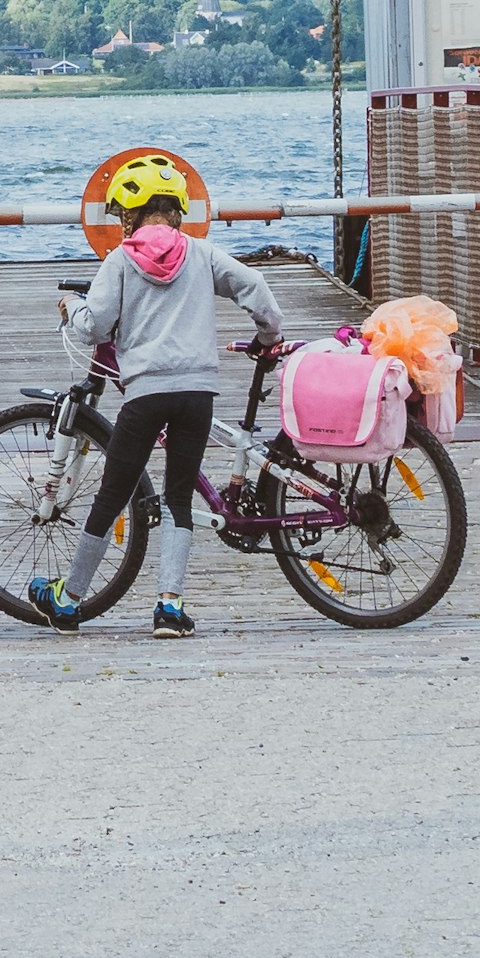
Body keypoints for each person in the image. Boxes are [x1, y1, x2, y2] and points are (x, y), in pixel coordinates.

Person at [30, 157, 285, 638]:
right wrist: (269, 335)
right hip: (198, 392)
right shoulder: (201, 253)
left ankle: (68, 600)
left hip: (145, 394)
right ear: (177, 211)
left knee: (111, 496)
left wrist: (71, 307)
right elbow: (253, 286)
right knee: (177, 499)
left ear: (130, 215)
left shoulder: (121, 260)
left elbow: (95, 327)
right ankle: (170, 607)